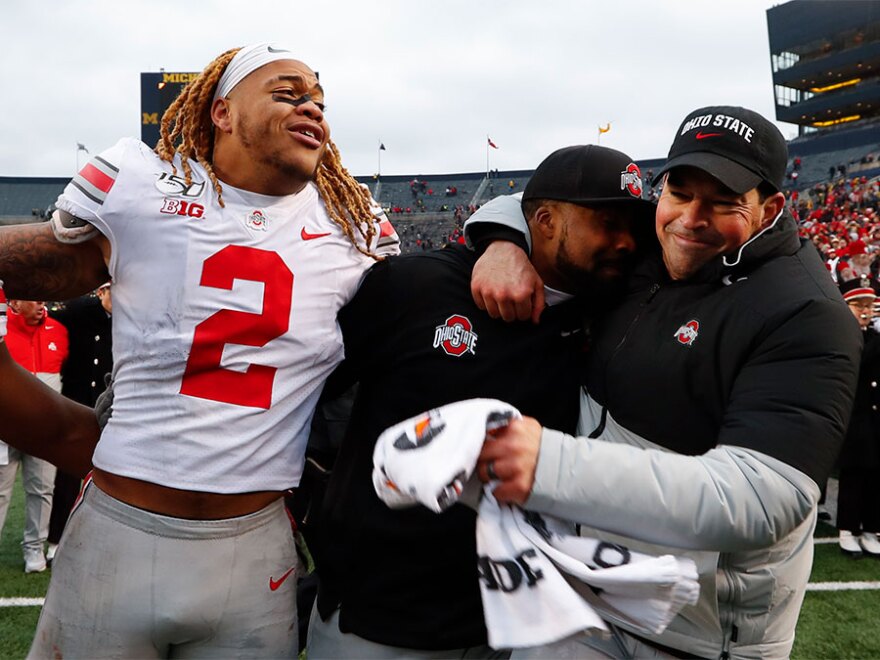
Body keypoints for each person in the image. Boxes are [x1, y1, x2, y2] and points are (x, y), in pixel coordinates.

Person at [0, 42, 397, 658]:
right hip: (120, 532)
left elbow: (425, 312)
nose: (313, 107)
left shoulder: (353, 224)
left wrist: (499, 238)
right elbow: (45, 264)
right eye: (289, 93)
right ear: (222, 112)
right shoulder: (143, 184)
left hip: (256, 547)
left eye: (320, 99)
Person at [465, 105, 862, 659]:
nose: (690, 219)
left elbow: (760, 498)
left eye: (723, 201)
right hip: (582, 589)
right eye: (679, 192)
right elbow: (538, 204)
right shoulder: (651, 247)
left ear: (770, 208)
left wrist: (548, 464)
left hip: (692, 632)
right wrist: (502, 239)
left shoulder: (806, 312)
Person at [306, 145, 654, 658]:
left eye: (633, 226)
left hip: (510, 620)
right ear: (544, 219)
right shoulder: (416, 287)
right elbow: (310, 393)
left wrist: (503, 240)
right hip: (380, 617)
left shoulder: (610, 310)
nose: (626, 242)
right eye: (607, 222)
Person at [45, 282, 113, 564]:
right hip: (75, 403)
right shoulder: (78, 311)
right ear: (101, 292)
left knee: (108, 477)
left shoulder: (129, 319)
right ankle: (55, 538)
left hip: (108, 409)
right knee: (67, 476)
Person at [0, 300, 68, 573]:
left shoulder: (60, 330)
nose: (42, 305)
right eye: (35, 299)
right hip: (5, 429)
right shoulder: (3, 334)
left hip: (44, 433)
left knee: (42, 489)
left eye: (43, 299)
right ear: (15, 303)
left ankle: (34, 550)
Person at [835, 271, 880, 557]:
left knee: (877, 476)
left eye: (868, 305)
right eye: (858, 306)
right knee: (853, 475)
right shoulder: (840, 337)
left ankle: (871, 528)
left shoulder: (876, 337)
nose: (864, 311)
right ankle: (847, 529)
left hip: (876, 419)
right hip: (853, 416)